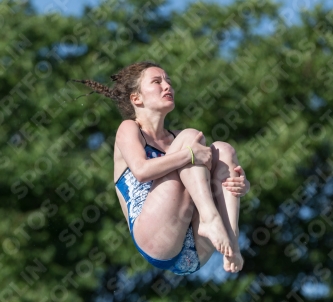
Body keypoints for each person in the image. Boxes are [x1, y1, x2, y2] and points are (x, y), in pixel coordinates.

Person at [73, 61, 250, 275]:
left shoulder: (178, 138)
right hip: (156, 239)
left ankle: (232, 244)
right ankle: (210, 218)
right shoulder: (129, 129)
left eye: (168, 82)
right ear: (136, 98)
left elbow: (210, 171)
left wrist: (234, 185)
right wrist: (188, 154)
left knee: (224, 150)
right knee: (190, 138)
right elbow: (141, 171)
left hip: (193, 254)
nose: (167, 87)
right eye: (157, 82)